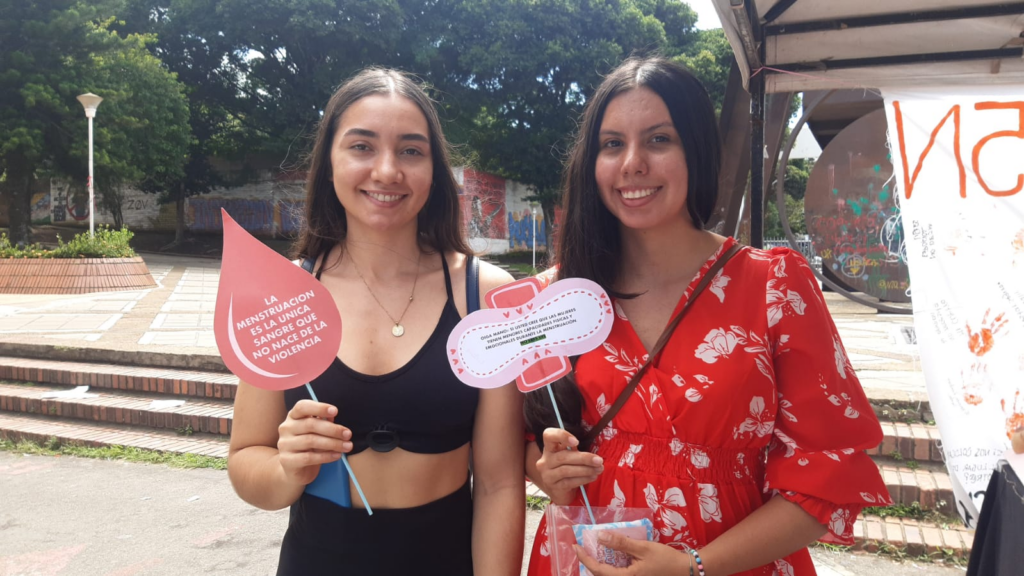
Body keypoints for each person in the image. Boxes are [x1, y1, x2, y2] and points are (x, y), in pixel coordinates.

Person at [523, 56, 891, 576]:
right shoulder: (555, 297)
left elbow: (824, 474)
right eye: (612, 144)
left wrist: (692, 566)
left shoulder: (773, 286)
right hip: (584, 560)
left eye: (658, 139)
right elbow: (516, 449)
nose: (632, 163)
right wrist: (549, 472)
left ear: (696, 149)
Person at [227, 68, 524, 576]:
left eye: (411, 150)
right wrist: (286, 467)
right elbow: (246, 459)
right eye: (362, 147)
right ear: (329, 165)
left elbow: (499, 484)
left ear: (435, 170)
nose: (387, 171)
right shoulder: (281, 297)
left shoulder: (486, 297)